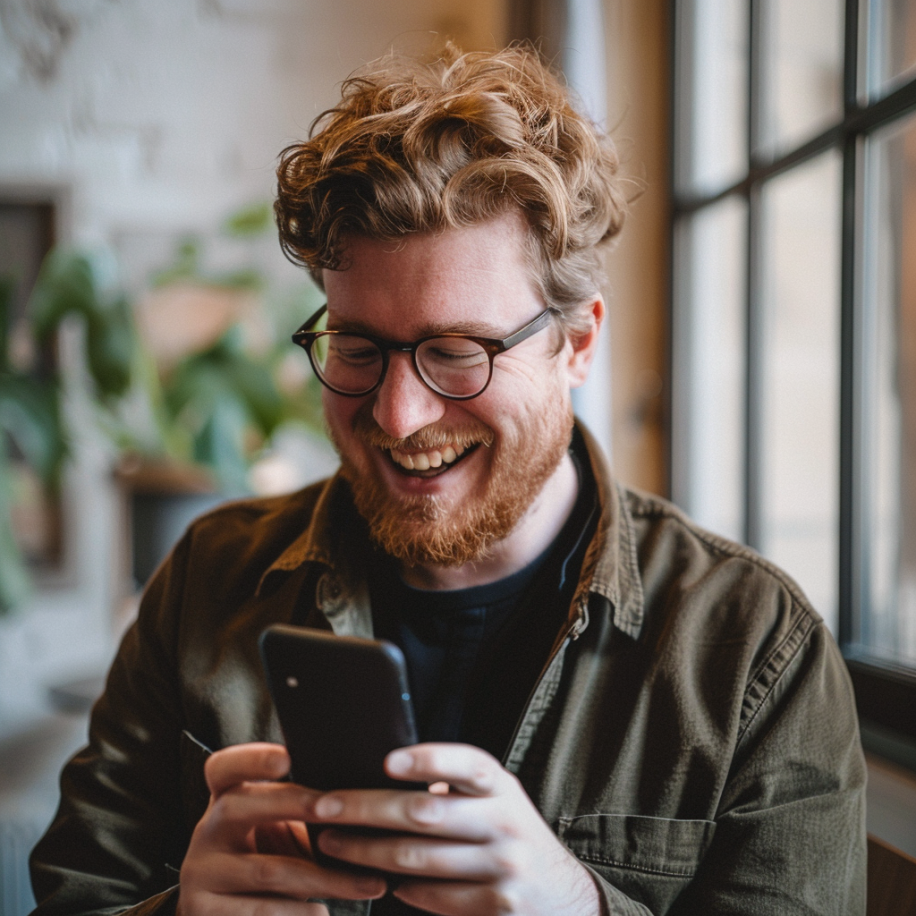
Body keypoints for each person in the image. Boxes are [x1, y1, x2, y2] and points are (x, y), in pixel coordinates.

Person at [30, 44, 866, 916]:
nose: (398, 416)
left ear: (577, 344)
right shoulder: (206, 579)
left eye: (457, 353)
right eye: (357, 348)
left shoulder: (757, 658)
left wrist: (579, 907)